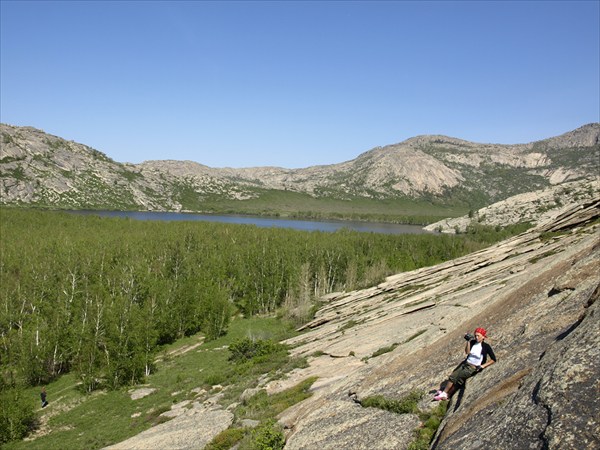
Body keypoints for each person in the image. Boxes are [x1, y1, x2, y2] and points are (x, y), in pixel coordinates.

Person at [434, 327, 496, 401]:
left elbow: (493, 359)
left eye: (478, 336)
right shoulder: (473, 342)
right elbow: (467, 352)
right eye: (475, 335)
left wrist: (482, 366)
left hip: (472, 368)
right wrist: (468, 341)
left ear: (483, 337)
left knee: (458, 379)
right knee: (453, 376)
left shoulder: (486, 347)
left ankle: (446, 394)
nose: (476, 337)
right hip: (465, 363)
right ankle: (445, 393)